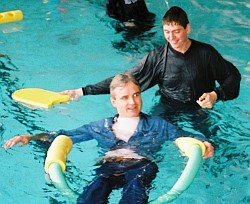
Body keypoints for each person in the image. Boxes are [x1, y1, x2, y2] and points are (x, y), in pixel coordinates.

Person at [3, 74, 214, 204]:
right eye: (125, 97)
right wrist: (30, 137)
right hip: (108, 167)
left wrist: (202, 143)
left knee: (136, 190)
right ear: (114, 101)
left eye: (136, 95)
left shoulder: (157, 125)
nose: (132, 102)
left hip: (141, 166)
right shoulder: (100, 126)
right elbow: (63, 136)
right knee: (93, 192)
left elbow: (185, 137)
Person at [61, 6, 241, 110]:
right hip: (168, 108)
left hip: (200, 109)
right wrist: (81, 91)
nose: (172, 38)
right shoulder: (157, 58)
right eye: (167, 32)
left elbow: (233, 76)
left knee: (213, 146)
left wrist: (215, 95)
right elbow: (122, 81)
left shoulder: (206, 53)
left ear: (188, 28)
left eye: (177, 32)